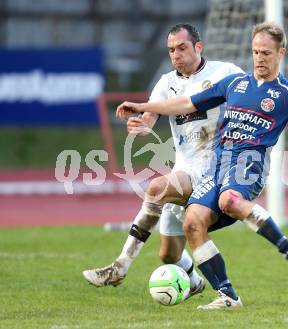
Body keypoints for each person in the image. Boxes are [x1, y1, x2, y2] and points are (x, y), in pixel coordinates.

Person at [115, 22, 288, 310]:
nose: (260, 58)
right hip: (217, 166)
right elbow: (185, 104)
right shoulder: (235, 84)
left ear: (281, 52)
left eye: (266, 53)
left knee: (228, 200)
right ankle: (228, 296)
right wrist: (144, 106)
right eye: (256, 52)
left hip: (249, 164)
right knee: (192, 222)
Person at [82, 23, 243, 297]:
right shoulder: (166, 83)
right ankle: (193, 282)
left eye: (182, 48)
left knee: (156, 188)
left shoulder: (224, 72)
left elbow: (250, 93)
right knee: (168, 255)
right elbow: (150, 118)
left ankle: (119, 267)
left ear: (198, 47)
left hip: (214, 169)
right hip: (184, 168)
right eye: (171, 50)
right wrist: (142, 126)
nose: (176, 54)